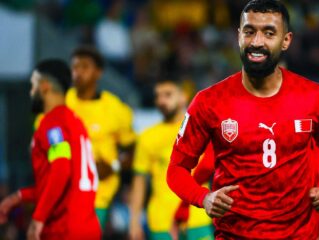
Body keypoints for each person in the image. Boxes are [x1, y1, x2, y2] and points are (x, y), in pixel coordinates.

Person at [167, 0, 319, 239]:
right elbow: (177, 169)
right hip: (234, 234)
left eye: (269, 33)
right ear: (238, 36)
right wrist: (203, 198)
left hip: (299, 235)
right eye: (249, 31)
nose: (257, 42)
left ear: (286, 40)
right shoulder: (208, 102)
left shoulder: (315, 96)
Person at [0, 59, 101, 239]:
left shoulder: (53, 124)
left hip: (63, 228)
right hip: (87, 226)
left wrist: (38, 218)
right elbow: (63, 182)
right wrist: (19, 196)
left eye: (33, 86)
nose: (31, 92)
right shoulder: (75, 123)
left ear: (44, 86)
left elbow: (61, 168)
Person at [130, 79, 213, 240]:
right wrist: (134, 221)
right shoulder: (147, 137)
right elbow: (139, 181)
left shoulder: (200, 130)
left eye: (167, 95)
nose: (161, 101)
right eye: (158, 96)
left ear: (183, 97)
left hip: (197, 217)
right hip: (161, 221)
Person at [67, 46, 136, 229]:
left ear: (98, 72)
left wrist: (113, 166)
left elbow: (131, 151)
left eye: (85, 67)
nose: (78, 73)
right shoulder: (61, 105)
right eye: (75, 67)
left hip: (99, 198)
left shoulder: (115, 108)